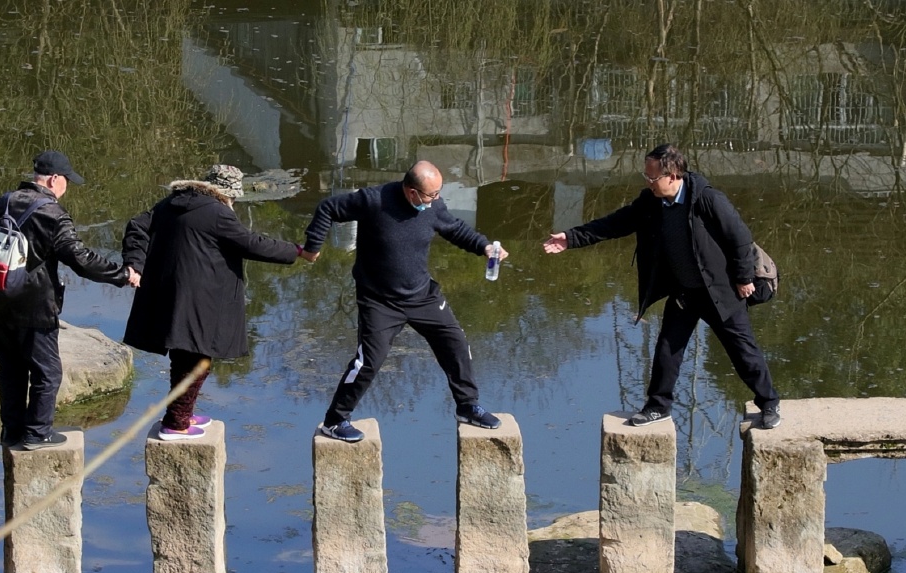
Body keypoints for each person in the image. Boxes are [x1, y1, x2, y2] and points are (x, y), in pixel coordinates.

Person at [543, 144, 780, 430]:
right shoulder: (651, 202)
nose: (648, 182)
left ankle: (769, 403)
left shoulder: (707, 199)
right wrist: (571, 238)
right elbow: (615, 223)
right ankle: (658, 407)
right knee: (667, 349)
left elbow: (740, 238)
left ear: (673, 175)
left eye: (653, 177)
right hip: (684, 293)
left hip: (719, 291)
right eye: (646, 176)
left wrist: (743, 278)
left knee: (743, 351)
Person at [301, 160, 507, 443]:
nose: (436, 200)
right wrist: (313, 246)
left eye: (438, 193)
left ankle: (467, 406)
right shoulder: (374, 200)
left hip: (422, 295)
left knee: (455, 343)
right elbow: (328, 208)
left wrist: (484, 246)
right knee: (368, 362)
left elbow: (455, 229)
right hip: (380, 300)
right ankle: (335, 421)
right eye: (431, 195)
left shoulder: (433, 206)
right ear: (412, 192)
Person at [122, 164, 299, 439]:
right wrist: (295, 251)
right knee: (197, 360)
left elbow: (136, 226)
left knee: (185, 355)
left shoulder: (170, 203)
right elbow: (250, 243)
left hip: (172, 293)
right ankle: (176, 423)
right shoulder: (217, 212)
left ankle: (183, 413)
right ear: (227, 193)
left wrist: (135, 262)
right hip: (200, 299)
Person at [0, 149, 139, 450]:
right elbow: (80, 259)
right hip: (34, 306)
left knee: (11, 370)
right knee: (47, 372)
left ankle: (11, 431)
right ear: (54, 179)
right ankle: (38, 433)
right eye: (67, 180)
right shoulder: (52, 213)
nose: (67, 186)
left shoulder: (5, 201)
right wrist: (121, 274)